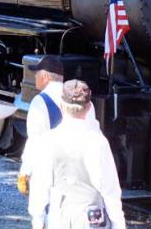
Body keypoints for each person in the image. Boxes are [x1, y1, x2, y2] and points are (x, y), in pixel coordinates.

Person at [28, 80, 126, 229]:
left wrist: (38, 219)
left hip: (59, 217)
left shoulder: (48, 141)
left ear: (61, 106)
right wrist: (118, 223)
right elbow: (110, 189)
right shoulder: (98, 142)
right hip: (91, 217)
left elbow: (40, 185)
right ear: (88, 108)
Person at [18, 56, 98, 196]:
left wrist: (25, 171)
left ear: (45, 76)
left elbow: (35, 141)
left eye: (36, 74)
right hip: (83, 174)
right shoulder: (86, 102)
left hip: (55, 175)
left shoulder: (39, 102)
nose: (35, 77)